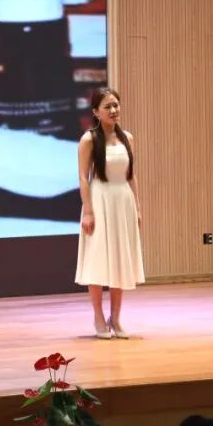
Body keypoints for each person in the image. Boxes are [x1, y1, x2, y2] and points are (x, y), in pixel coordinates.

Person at [74, 87, 144, 338]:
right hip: (100, 200)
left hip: (122, 200)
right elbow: (83, 177)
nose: (114, 110)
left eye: (116, 105)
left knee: (119, 259)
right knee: (98, 259)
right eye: (108, 107)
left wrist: (137, 207)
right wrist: (88, 211)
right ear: (96, 112)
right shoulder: (89, 139)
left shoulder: (127, 137)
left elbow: (131, 175)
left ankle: (115, 318)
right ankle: (98, 317)